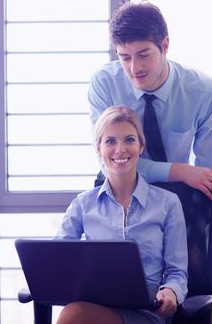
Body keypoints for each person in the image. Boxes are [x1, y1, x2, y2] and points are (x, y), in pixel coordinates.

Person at [55, 105, 188, 324]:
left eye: (129, 140)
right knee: (76, 313)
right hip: (96, 308)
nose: (120, 149)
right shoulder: (82, 204)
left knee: (74, 316)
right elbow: (57, 261)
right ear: (98, 148)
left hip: (147, 315)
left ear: (141, 146)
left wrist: (171, 292)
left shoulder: (168, 203)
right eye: (110, 141)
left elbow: (177, 272)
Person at [88, 1, 212, 200]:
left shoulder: (202, 90)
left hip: (179, 191)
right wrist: (179, 170)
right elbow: (107, 159)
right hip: (120, 182)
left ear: (165, 45)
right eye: (125, 57)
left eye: (144, 55)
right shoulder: (104, 83)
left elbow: (206, 172)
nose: (135, 68)